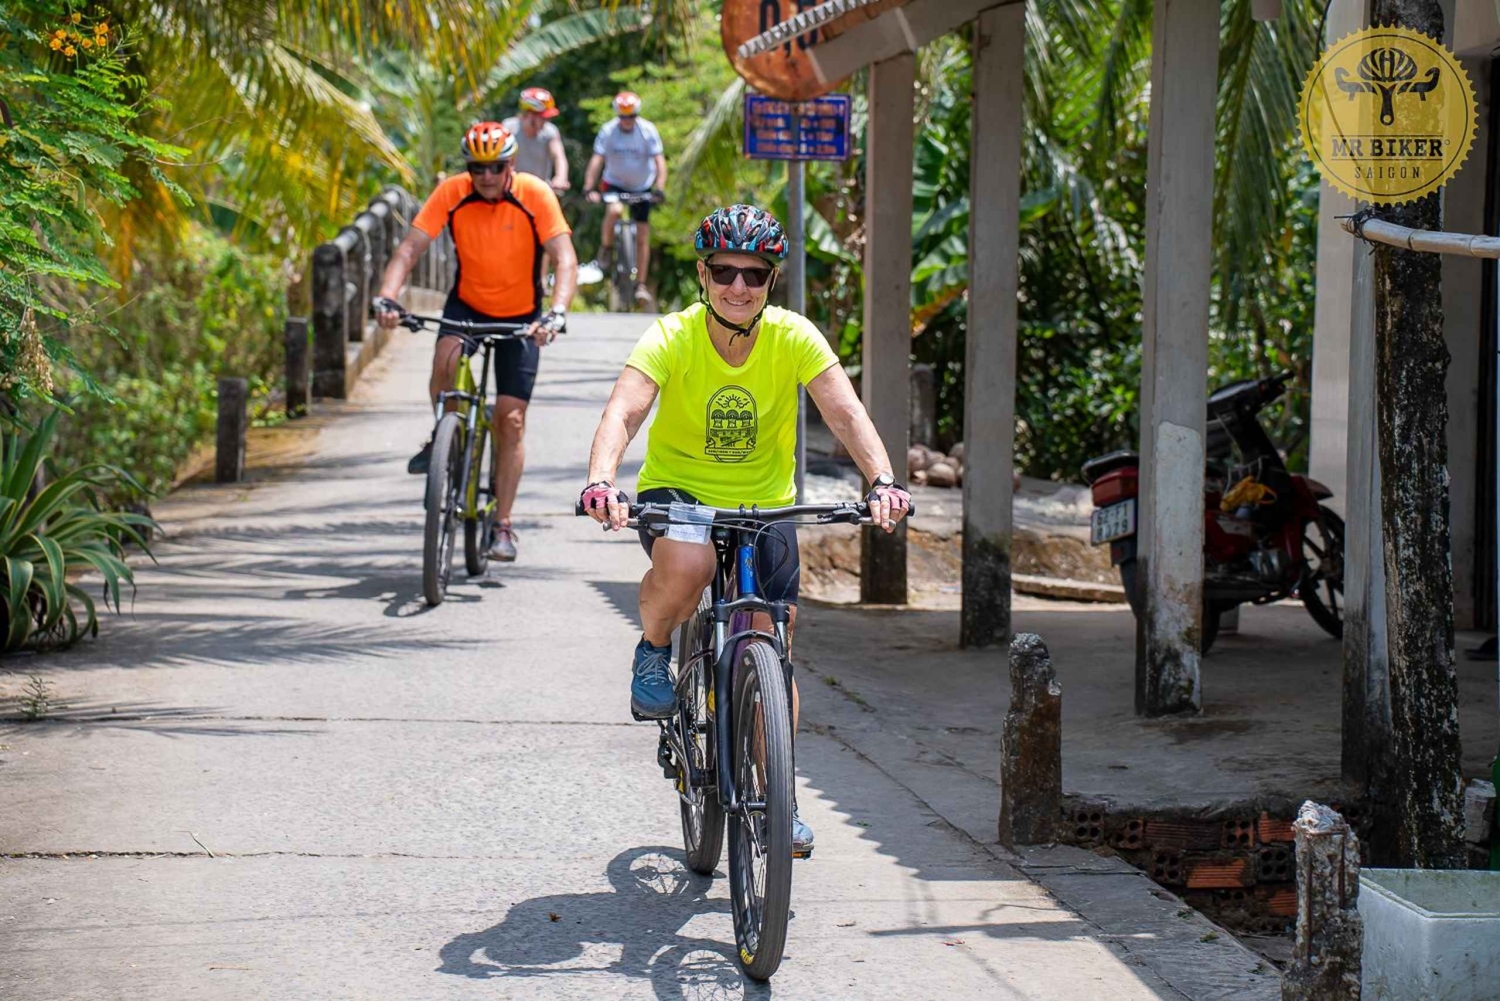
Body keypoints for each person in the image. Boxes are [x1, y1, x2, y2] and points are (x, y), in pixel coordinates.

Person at [580, 205, 912, 855]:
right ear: (702, 275)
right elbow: (624, 410)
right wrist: (602, 478)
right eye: (725, 271)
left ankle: (779, 797)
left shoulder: (793, 337)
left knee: (770, 640)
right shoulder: (672, 336)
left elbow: (844, 411)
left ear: (770, 282)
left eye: (753, 275)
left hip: (766, 505)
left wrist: (882, 480)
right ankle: (654, 645)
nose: (738, 286)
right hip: (681, 494)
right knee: (691, 566)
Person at [375, 122, 579, 563]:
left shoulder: (535, 194)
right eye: (477, 168)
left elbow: (565, 258)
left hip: (523, 316)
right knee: (444, 363)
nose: (486, 176)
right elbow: (410, 250)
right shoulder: (452, 191)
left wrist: (557, 311)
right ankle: (443, 435)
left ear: (512, 165)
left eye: (496, 167)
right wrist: (388, 297)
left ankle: (502, 523)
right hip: (466, 306)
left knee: (511, 420)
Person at [583, 91, 665, 306]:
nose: (626, 122)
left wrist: (660, 188)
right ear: (617, 115)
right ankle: (606, 249)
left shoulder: (648, 131)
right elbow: (597, 160)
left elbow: (659, 162)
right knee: (614, 211)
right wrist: (589, 187)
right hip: (614, 183)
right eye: (623, 117)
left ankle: (640, 285)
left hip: (642, 185)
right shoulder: (608, 131)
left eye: (631, 117)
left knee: (643, 234)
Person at [503, 87, 571, 296]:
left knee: (546, 233)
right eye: (540, 117)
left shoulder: (549, 133)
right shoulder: (509, 129)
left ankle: (540, 281)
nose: (543, 122)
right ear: (527, 115)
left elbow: (559, 156)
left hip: (540, 191)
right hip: (511, 191)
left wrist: (561, 177)